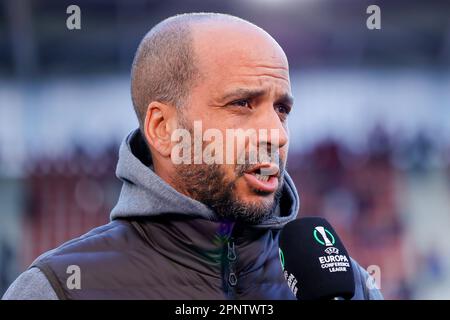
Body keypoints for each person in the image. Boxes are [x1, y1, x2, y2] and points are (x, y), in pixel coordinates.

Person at [2, 12, 382, 300]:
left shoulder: (351, 285)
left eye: (281, 109)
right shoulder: (59, 288)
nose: (276, 134)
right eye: (242, 103)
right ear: (164, 129)